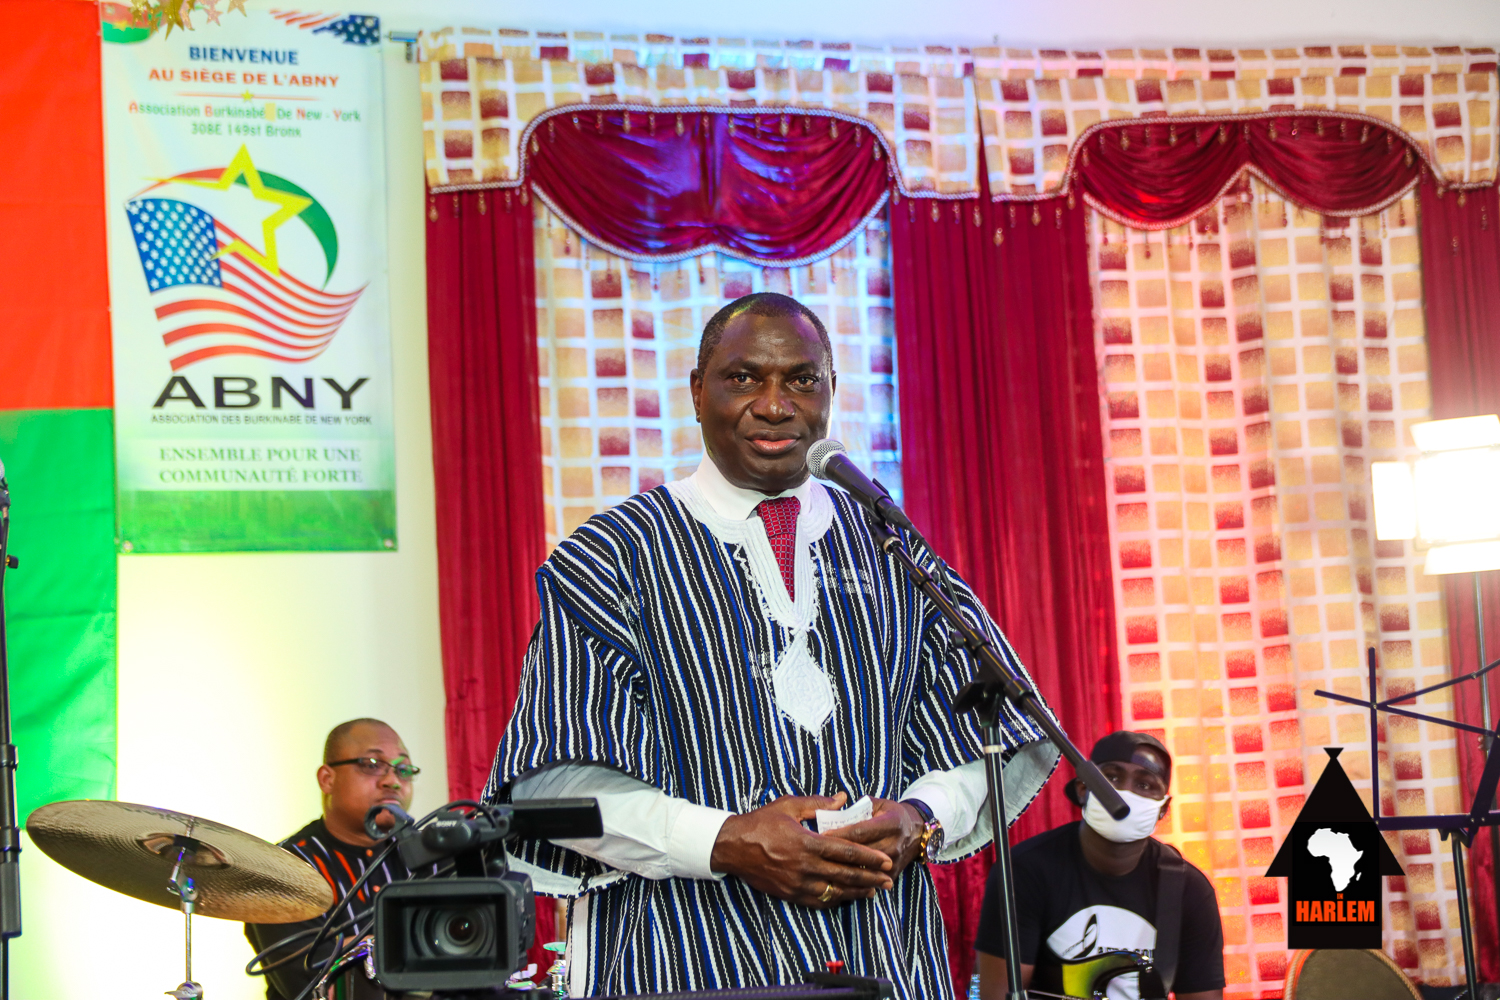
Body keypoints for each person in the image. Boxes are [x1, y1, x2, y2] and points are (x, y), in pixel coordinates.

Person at [489, 292, 1061, 998]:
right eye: (743, 378)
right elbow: (556, 786)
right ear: (697, 392)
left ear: (830, 391)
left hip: (880, 950)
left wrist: (921, 818)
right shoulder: (613, 555)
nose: (773, 405)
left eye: (801, 380)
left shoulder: (889, 545)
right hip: (683, 958)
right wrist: (727, 841)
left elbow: (993, 729)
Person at [975, 731, 1225, 1000]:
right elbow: (994, 993)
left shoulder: (1189, 890)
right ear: (1083, 788)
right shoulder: (1023, 871)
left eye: (1145, 785)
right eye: (1112, 778)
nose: (1124, 793)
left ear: (1163, 808)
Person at [245, 718, 434, 1000]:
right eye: (371, 764)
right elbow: (317, 984)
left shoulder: (432, 857)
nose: (393, 781)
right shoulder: (282, 869)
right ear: (327, 779)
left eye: (403, 769)